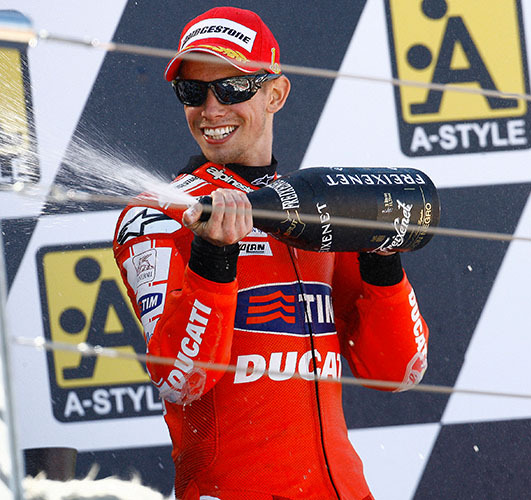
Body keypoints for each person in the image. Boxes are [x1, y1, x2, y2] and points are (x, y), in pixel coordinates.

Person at [112, 7, 429, 500]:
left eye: (234, 88)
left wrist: (383, 260)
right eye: (193, 91)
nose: (211, 109)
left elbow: (398, 373)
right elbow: (181, 380)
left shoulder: (320, 209)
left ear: (276, 93)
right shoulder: (158, 214)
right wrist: (214, 259)